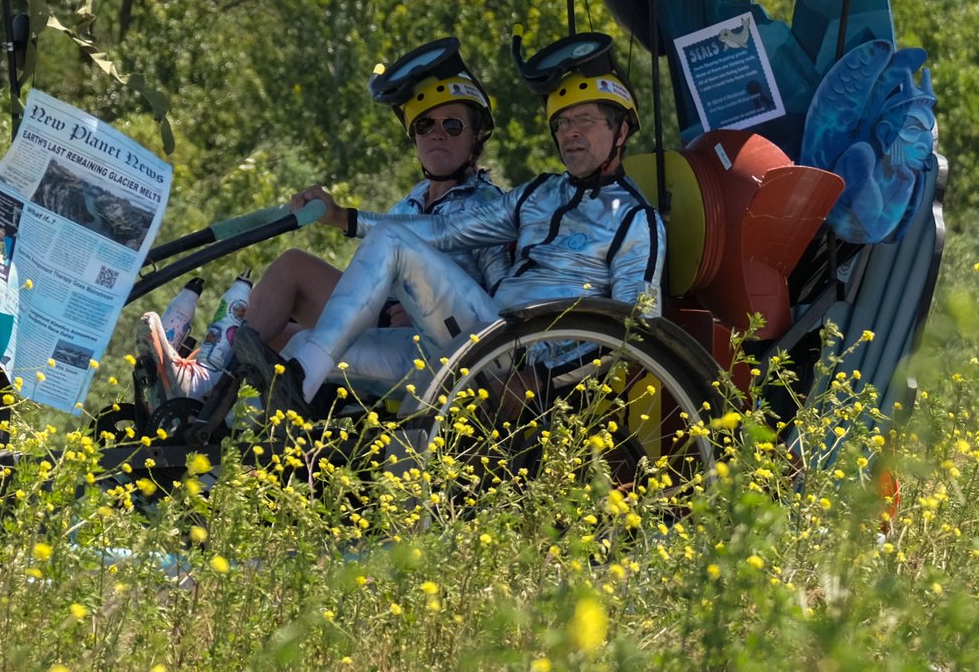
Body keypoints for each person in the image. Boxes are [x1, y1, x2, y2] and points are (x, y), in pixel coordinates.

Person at [233, 32, 664, 412]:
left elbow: (631, 331)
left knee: (391, 243)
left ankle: (301, 378)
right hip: (480, 333)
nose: (571, 133)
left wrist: (550, 380)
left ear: (622, 130)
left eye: (585, 120)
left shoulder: (636, 221)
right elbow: (444, 232)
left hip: (523, 356)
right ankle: (224, 452)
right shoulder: (540, 193)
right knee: (299, 344)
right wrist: (344, 218)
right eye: (563, 122)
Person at [149, 37, 505, 399]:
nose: (437, 134)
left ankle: (203, 384)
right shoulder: (407, 206)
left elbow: (503, 302)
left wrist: (423, 310)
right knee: (287, 287)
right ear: (413, 136)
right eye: (425, 125)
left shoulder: (491, 207)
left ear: (476, 136)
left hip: (450, 346)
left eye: (453, 126)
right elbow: (365, 286)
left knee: (297, 330)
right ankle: (194, 389)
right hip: (387, 326)